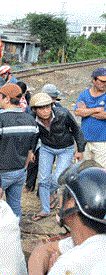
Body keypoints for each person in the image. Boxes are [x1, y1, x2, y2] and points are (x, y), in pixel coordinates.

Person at [28, 161, 106, 275]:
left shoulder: (74, 263)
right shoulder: (91, 239)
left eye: (65, 195)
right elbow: (42, 250)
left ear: (72, 205)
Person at [0, 83, 39, 218]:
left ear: (7, 99)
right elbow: (31, 150)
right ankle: (14, 231)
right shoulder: (30, 120)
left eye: (0, 97)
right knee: (15, 205)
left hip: (0, 173)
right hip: (19, 172)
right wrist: (23, 169)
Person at [30, 93, 86, 221]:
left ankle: (50, 194)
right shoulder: (32, 118)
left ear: (52, 105)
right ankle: (45, 209)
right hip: (46, 148)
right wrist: (31, 151)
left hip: (66, 148)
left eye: (48, 107)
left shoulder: (63, 114)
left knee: (57, 179)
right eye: (41, 108)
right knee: (43, 179)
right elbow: (34, 135)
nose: (45, 111)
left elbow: (77, 130)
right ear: (34, 109)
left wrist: (80, 149)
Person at [75, 68, 106, 168]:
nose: (104, 83)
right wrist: (97, 109)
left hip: (102, 141)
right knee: (83, 170)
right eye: (102, 81)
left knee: (101, 171)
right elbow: (77, 111)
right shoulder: (84, 94)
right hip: (85, 140)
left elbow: (104, 115)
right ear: (93, 80)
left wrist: (86, 110)